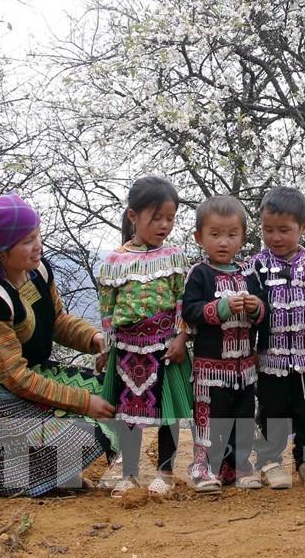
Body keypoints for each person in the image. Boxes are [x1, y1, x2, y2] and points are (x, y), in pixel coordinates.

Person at [0, 194, 115, 497]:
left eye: (37, 236)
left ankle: (62, 474)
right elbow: (14, 377)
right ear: (0, 252)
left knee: (115, 392)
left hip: (31, 373)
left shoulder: (37, 271)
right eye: (27, 241)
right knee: (84, 420)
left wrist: (94, 339)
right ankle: (44, 477)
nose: (38, 246)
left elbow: (57, 320)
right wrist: (83, 402)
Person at [98, 175, 193, 497]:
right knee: (128, 413)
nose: (164, 225)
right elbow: (107, 310)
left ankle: (165, 472)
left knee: (167, 412)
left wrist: (181, 338)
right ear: (133, 216)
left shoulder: (175, 257)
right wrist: (105, 348)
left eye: (170, 218)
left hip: (165, 347)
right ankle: (130, 473)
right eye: (156, 218)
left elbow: (182, 301)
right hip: (127, 349)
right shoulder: (115, 262)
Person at [246, 186, 305, 489]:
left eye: (284, 230)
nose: (275, 237)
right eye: (268, 230)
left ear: (304, 227)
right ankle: (270, 462)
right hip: (270, 357)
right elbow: (249, 313)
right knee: (271, 410)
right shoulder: (256, 267)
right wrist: (249, 348)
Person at [181, 196, 268, 492]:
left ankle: (241, 467)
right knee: (211, 420)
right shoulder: (199, 274)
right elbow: (190, 311)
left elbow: (263, 313)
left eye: (232, 235)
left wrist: (256, 307)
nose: (223, 242)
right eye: (215, 234)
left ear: (242, 237)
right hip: (210, 369)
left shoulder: (249, 274)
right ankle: (206, 469)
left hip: (244, 368)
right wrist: (221, 307)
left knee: (242, 418)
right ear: (199, 237)